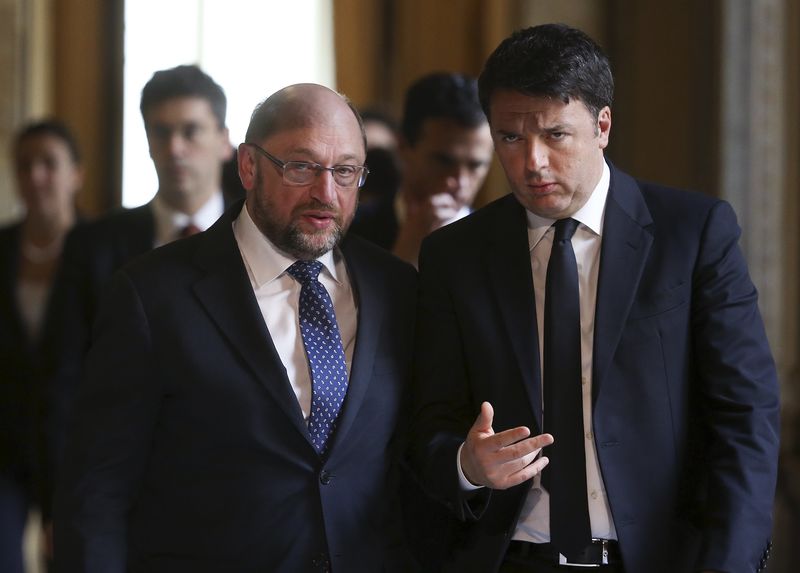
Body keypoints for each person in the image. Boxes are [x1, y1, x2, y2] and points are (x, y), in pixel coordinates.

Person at [407, 23, 779, 573]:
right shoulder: (454, 257)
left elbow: (744, 415)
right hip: (511, 556)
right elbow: (426, 423)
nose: (531, 161)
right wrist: (467, 463)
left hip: (657, 557)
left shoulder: (693, 233)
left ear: (602, 125)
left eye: (555, 135)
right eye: (510, 137)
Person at [53, 83, 418, 572]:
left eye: (346, 171)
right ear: (248, 166)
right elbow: (97, 493)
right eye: (301, 167)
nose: (325, 193)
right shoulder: (151, 295)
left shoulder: (396, 288)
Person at [46, 65, 236, 472]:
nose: (175, 148)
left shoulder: (257, 241)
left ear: (225, 142)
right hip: (120, 472)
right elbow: (63, 378)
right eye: (161, 132)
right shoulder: (93, 245)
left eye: (191, 131)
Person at [0, 120, 82, 572]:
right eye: (25, 165)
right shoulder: (2, 248)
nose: (35, 176)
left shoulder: (103, 250)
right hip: (6, 441)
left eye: (48, 163)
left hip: (75, 443)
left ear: (76, 175)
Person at [349, 72, 493, 266]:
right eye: (444, 161)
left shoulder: (507, 243)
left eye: (476, 165)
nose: (460, 182)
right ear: (403, 146)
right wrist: (403, 258)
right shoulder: (350, 233)